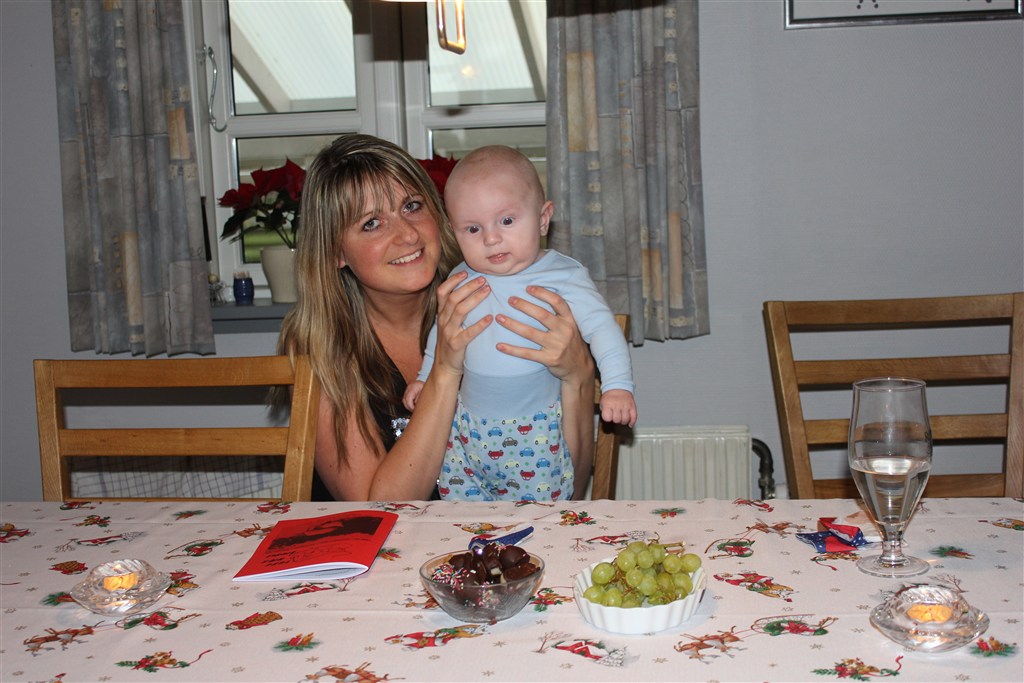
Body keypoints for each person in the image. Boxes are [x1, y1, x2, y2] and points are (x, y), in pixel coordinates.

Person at [274, 134, 596, 501]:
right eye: (371, 223)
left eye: (412, 206)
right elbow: (377, 508)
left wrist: (579, 376)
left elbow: (569, 490)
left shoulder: (503, 301)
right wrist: (443, 370)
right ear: (335, 252)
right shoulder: (318, 343)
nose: (408, 234)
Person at [403, 145, 637, 502]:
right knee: (460, 521)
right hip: (466, 431)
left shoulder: (564, 276)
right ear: (453, 231)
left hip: (535, 434)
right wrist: (424, 376)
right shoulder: (460, 277)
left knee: (540, 521)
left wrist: (617, 386)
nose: (491, 238)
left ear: (543, 219)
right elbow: (444, 333)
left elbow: (604, 330)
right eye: (473, 228)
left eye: (507, 221)